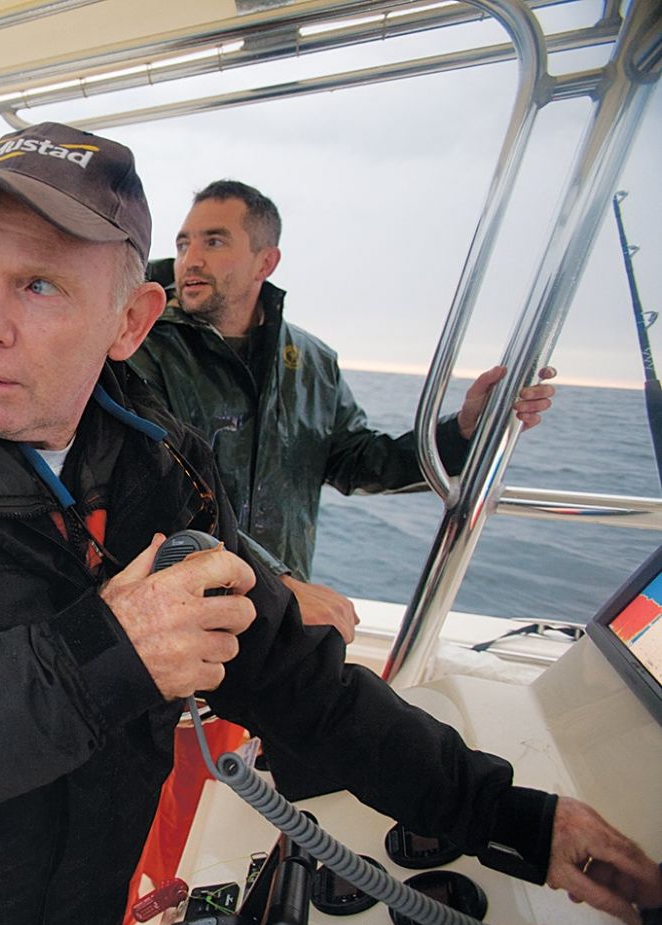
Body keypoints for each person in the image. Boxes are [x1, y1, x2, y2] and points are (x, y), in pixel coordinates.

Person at [0, 123, 659, 925]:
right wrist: (96, 660)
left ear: (131, 321)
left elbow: (307, 688)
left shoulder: (160, 470)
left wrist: (519, 821)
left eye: (39, 284)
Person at [129, 180, 557, 642]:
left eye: (214, 241)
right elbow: (161, 485)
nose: (190, 259)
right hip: (178, 612)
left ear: (266, 262)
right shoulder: (141, 346)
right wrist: (280, 583)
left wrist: (465, 431)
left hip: (276, 614)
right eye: (183, 242)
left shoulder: (313, 362)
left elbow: (359, 462)